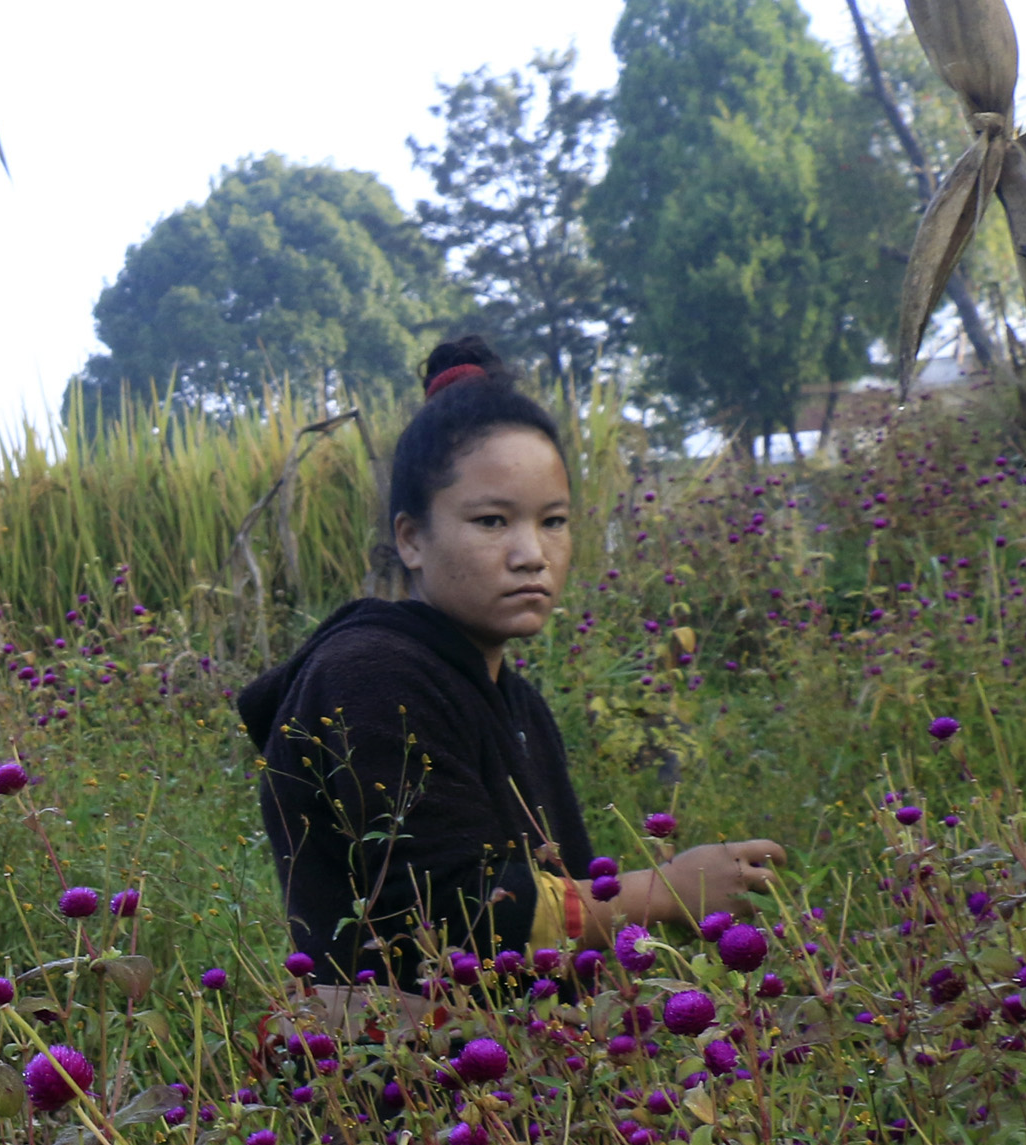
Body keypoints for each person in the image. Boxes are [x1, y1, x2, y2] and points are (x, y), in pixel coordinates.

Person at [235, 339, 782, 990]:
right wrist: (663, 891)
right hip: (402, 1072)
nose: (533, 554)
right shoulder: (370, 677)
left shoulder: (513, 699)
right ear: (411, 538)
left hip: (528, 1068)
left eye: (553, 521)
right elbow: (459, 915)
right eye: (493, 521)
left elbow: (562, 901)